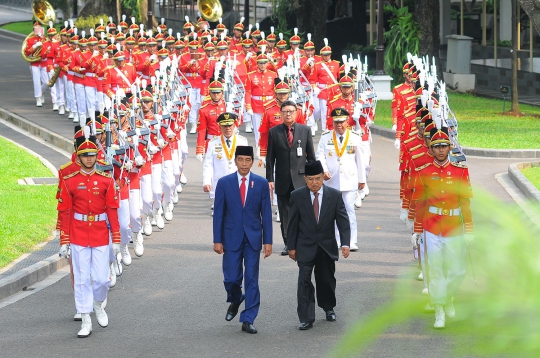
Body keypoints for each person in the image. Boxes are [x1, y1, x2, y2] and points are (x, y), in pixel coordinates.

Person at [57, 130, 121, 338]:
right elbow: (65, 211)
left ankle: (98, 304)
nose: (89, 158)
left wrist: (117, 239)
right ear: (78, 156)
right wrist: (64, 240)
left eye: (92, 155)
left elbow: (112, 209)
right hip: (78, 233)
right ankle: (85, 318)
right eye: (85, 155)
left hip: (101, 234)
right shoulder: (70, 180)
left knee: (102, 279)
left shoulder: (106, 180)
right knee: (82, 278)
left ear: (96, 156)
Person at [412, 126, 474, 330]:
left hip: (454, 226)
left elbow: (465, 201)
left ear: (450, 148)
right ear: (431, 148)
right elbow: (420, 201)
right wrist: (418, 229)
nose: (440, 150)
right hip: (432, 226)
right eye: (436, 146)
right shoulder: (424, 172)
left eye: (444, 146)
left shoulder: (460, 170)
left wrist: (470, 228)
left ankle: (448, 297)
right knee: (435, 269)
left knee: (458, 271)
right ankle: (439, 308)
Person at [213, 145, 273, 334]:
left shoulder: (261, 183)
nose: (244, 164)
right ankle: (236, 298)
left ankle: (248, 318)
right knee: (231, 278)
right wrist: (217, 239)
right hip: (231, 236)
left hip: (254, 237)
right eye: (241, 160)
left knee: (252, 279)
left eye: (248, 160)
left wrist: (268, 241)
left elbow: (267, 214)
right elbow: (219, 214)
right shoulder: (224, 183)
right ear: (235, 161)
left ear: (252, 162)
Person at [287, 160, 350, 330]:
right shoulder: (297, 196)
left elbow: (343, 221)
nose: (314, 183)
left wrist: (345, 243)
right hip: (304, 247)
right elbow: (291, 224)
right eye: (311, 179)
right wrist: (291, 246)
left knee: (326, 280)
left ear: (323, 178)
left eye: (318, 178)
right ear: (305, 179)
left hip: (326, 247)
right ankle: (306, 317)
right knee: (304, 281)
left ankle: (328, 307)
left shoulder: (334, 196)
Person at [266, 100, 316, 256]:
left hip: (301, 179)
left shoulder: (305, 130)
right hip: (282, 179)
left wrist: (313, 178)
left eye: (291, 111)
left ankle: (302, 241)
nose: (288, 114)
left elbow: (311, 157)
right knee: (285, 214)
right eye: (285, 112)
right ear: (281, 114)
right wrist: (270, 179)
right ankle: (288, 243)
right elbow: (270, 159)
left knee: (303, 212)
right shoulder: (274, 132)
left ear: (296, 113)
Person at [316, 108, 365, 251]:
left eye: (342, 122)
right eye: (336, 122)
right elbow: (320, 156)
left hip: (349, 180)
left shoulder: (355, 137)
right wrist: (323, 170)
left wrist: (362, 179)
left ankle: (350, 240)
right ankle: (335, 239)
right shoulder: (326, 137)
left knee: (349, 210)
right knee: (331, 212)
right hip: (331, 180)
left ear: (347, 121)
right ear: (332, 122)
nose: (339, 125)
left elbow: (360, 160)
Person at [203, 112, 248, 210]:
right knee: (220, 214)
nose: (228, 128)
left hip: (238, 181)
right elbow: (208, 165)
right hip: (220, 182)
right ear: (220, 127)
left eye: (230, 125)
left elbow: (247, 164)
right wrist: (207, 182)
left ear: (234, 126)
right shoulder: (213, 143)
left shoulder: (242, 141)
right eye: (224, 126)